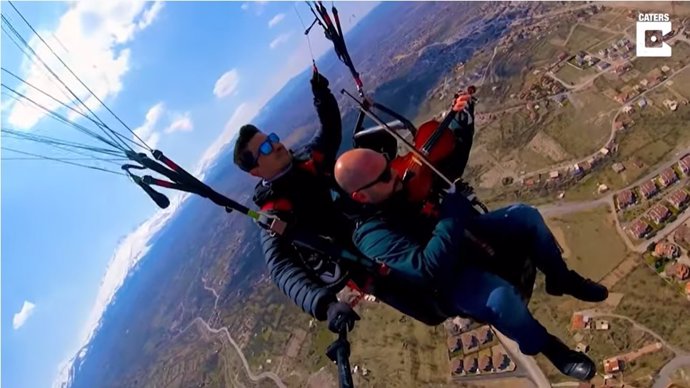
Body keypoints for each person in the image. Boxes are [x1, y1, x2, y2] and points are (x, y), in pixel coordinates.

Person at [332, 144, 609, 381]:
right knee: (501, 300)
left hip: (463, 234)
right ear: (360, 196)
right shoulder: (371, 237)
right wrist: (451, 214)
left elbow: (447, 154)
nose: (394, 174)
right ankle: (549, 347)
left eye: (388, 165)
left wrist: (461, 117)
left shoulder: (401, 185)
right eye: (383, 176)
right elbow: (428, 269)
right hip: (449, 280)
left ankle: (561, 278)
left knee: (526, 216)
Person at [233, 68, 361, 335]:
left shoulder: (304, 160)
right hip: (356, 260)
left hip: (364, 221)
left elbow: (330, 133)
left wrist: (321, 96)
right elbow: (281, 268)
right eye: (265, 149)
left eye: (271, 139)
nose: (276, 145)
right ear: (255, 171)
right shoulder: (274, 213)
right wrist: (325, 305)